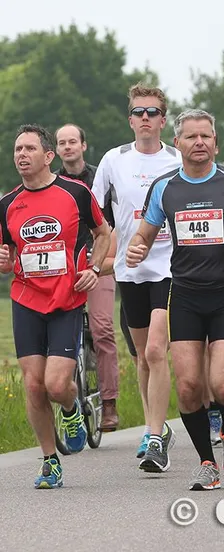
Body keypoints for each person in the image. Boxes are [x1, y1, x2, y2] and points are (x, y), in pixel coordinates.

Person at [128, 109, 224, 490]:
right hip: (184, 294)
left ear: (216, 143)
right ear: (178, 143)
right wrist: (136, 249)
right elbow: (143, 234)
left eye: (206, 136)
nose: (199, 142)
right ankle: (207, 463)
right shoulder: (164, 187)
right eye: (191, 136)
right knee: (188, 387)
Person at [1, 124, 111, 488]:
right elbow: (7, 253)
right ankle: (50, 460)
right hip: (26, 299)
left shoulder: (76, 193)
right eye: (18, 149)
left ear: (48, 156)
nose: (22, 155)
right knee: (33, 386)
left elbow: (104, 233)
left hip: (66, 299)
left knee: (57, 383)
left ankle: (70, 408)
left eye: (29, 148)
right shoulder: (7, 204)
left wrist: (94, 269)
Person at [91, 83, 179, 461]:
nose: (145, 118)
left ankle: (155, 437)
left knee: (158, 350)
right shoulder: (114, 160)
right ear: (130, 120)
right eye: (139, 112)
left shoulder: (178, 160)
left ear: (163, 120)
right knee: (144, 356)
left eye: (153, 112)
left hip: (172, 266)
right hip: (131, 270)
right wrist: (98, 259)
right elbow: (95, 217)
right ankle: (153, 426)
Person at [55, 124, 121, 431]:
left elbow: (114, 222)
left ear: (83, 145)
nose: (68, 147)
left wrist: (105, 261)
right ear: (55, 150)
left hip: (99, 260)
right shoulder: (51, 182)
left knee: (102, 328)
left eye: (73, 141)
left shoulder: (102, 179)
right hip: (63, 265)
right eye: (62, 143)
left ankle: (109, 403)